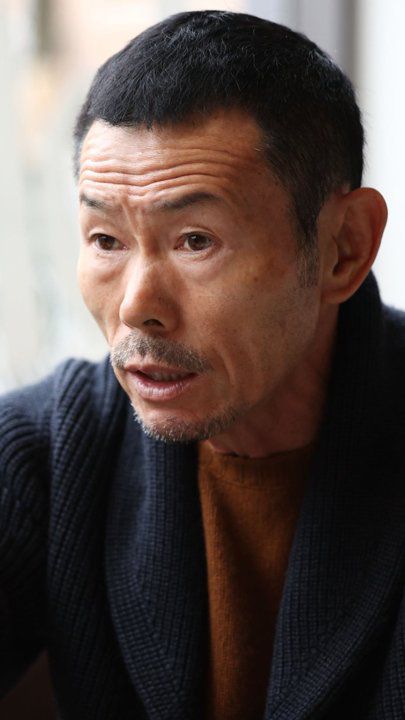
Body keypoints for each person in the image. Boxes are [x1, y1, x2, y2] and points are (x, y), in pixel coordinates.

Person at [0, 9, 403, 720]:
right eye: (105, 239)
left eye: (194, 240)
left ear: (343, 247)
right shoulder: (44, 454)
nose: (136, 307)